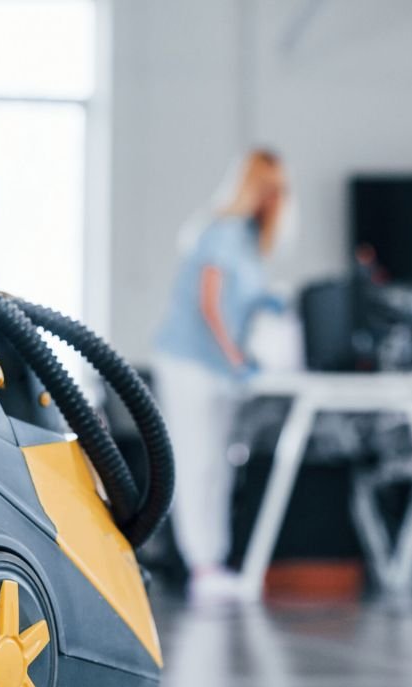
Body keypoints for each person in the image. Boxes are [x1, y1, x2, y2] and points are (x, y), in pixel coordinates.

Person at [153, 149, 290, 598]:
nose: (276, 199)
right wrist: (236, 359)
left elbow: (243, 306)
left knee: (219, 464)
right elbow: (209, 303)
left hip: (220, 370)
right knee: (196, 462)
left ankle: (214, 563)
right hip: (191, 362)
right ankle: (201, 567)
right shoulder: (223, 231)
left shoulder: (251, 243)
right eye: (269, 189)